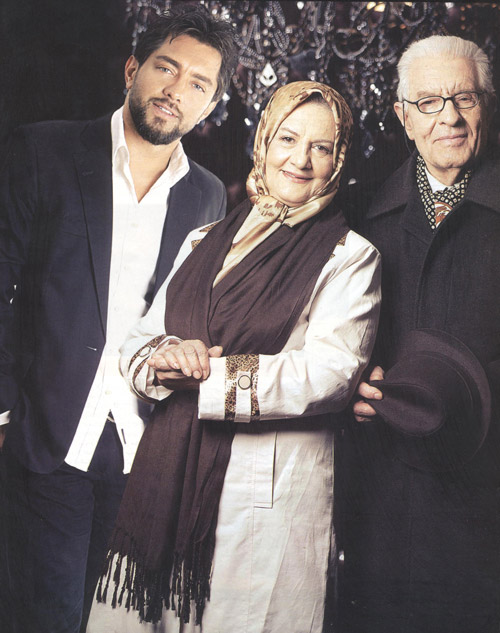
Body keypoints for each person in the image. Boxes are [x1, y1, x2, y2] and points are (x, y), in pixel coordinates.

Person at [86, 81, 381, 633]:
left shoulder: (349, 256)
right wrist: (167, 354)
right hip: (169, 477)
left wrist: (207, 376)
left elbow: (332, 371)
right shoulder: (204, 240)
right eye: (287, 139)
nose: (299, 160)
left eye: (320, 147)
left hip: (267, 491)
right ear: (263, 142)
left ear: (338, 161)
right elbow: (139, 338)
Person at [0, 5, 238, 633]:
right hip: (43, 436)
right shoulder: (44, 149)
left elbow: (188, 317)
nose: (176, 90)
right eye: (166, 68)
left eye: (198, 84)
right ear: (132, 69)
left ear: (210, 105)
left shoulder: (208, 195)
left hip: (139, 454)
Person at [340, 35, 500, 633]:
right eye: (430, 103)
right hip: (385, 502)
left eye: (465, 99)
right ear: (404, 118)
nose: (449, 118)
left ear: (487, 106)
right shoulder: (359, 213)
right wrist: (351, 384)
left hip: (486, 500)